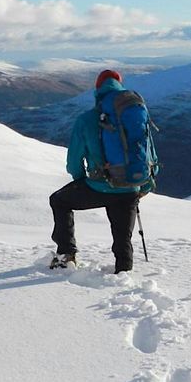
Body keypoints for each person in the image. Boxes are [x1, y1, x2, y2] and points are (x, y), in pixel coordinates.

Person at [49, 69, 151, 274]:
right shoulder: (136, 113)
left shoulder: (87, 120)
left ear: (98, 89)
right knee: (123, 237)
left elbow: (74, 161)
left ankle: (66, 255)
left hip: (97, 186)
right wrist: (144, 185)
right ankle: (123, 273)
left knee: (59, 201)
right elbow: (148, 151)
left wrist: (81, 180)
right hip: (131, 186)